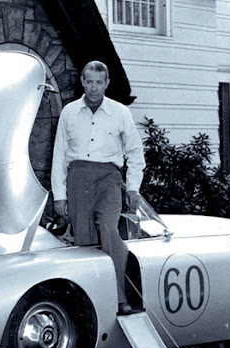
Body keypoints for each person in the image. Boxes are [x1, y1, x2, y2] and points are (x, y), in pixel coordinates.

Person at [51, 60, 146, 316]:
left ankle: (119, 298)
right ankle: (91, 304)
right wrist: (59, 196)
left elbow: (135, 152)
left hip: (109, 178)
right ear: (82, 81)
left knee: (109, 230)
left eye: (99, 82)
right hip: (77, 177)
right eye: (89, 82)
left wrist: (133, 187)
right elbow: (59, 155)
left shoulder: (120, 112)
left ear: (106, 84)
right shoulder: (69, 112)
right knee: (83, 239)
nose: (94, 88)